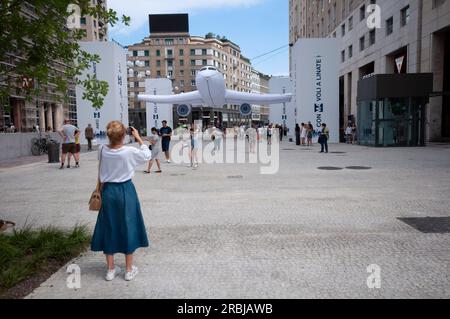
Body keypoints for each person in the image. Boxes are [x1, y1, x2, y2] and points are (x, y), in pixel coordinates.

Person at [91, 121, 151, 282]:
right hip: (126, 190)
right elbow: (147, 155)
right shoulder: (129, 151)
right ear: (124, 135)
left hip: (108, 191)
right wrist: (138, 138)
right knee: (128, 225)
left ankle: (110, 270)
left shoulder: (102, 149)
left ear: (108, 135)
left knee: (108, 226)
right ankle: (128, 270)